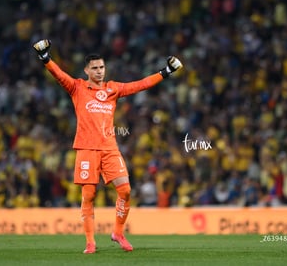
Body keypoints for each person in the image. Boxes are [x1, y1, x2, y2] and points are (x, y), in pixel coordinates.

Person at [33, 39, 183, 254]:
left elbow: (140, 85)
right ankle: (90, 242)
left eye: (102, 67)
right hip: (86, 149)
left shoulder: (113, 89)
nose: (99, 71)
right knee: (89, 196)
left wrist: (165, 72)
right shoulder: (77, 87)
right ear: (86, 70)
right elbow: (59, 75)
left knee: (126, 190)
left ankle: (118, 233)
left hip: (109, 148)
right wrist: (45, 58)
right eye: (94, 68)